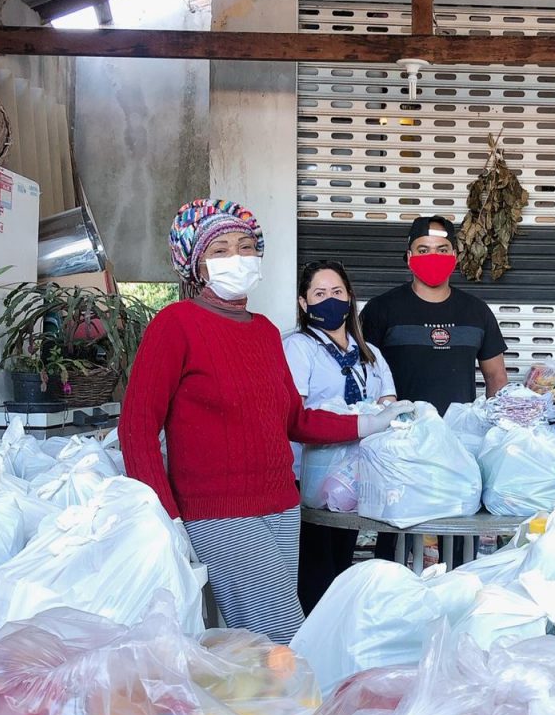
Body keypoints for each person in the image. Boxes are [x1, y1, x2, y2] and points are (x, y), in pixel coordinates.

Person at [119, 199, 412, 642]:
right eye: (220, 250)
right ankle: (298, 712)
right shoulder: (174, 324)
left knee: (256, 645)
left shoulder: (264, 332)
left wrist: (370, 423)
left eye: (246, 246)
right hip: (220, 512)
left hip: (281, 505)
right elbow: (137, 429)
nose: (237, 257)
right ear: (196, 265)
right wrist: (167, 516)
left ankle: (258, 711)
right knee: (282, 638)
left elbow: (293, 419)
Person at [283, 260, 398, 614]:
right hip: (311, 477)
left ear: (350, 298)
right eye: (319, 293)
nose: (329, 300)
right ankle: (310, 652)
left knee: (341, 568)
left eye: (337, 292)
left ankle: (335, 642)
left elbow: (389, 404)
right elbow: (294, 414)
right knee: (316, 571)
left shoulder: (370, 354)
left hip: (354, 480)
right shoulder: (298, 348)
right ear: (304, 303)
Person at [360, 215, 509, 415]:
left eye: (442, 250)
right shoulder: (380, 309)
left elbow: (496, 378)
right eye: (423, 250)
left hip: (457, 437)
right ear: (410, 257)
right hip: (399, 435)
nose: (433, 256)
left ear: (454, 256)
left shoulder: (477, 311)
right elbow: (362, 377)